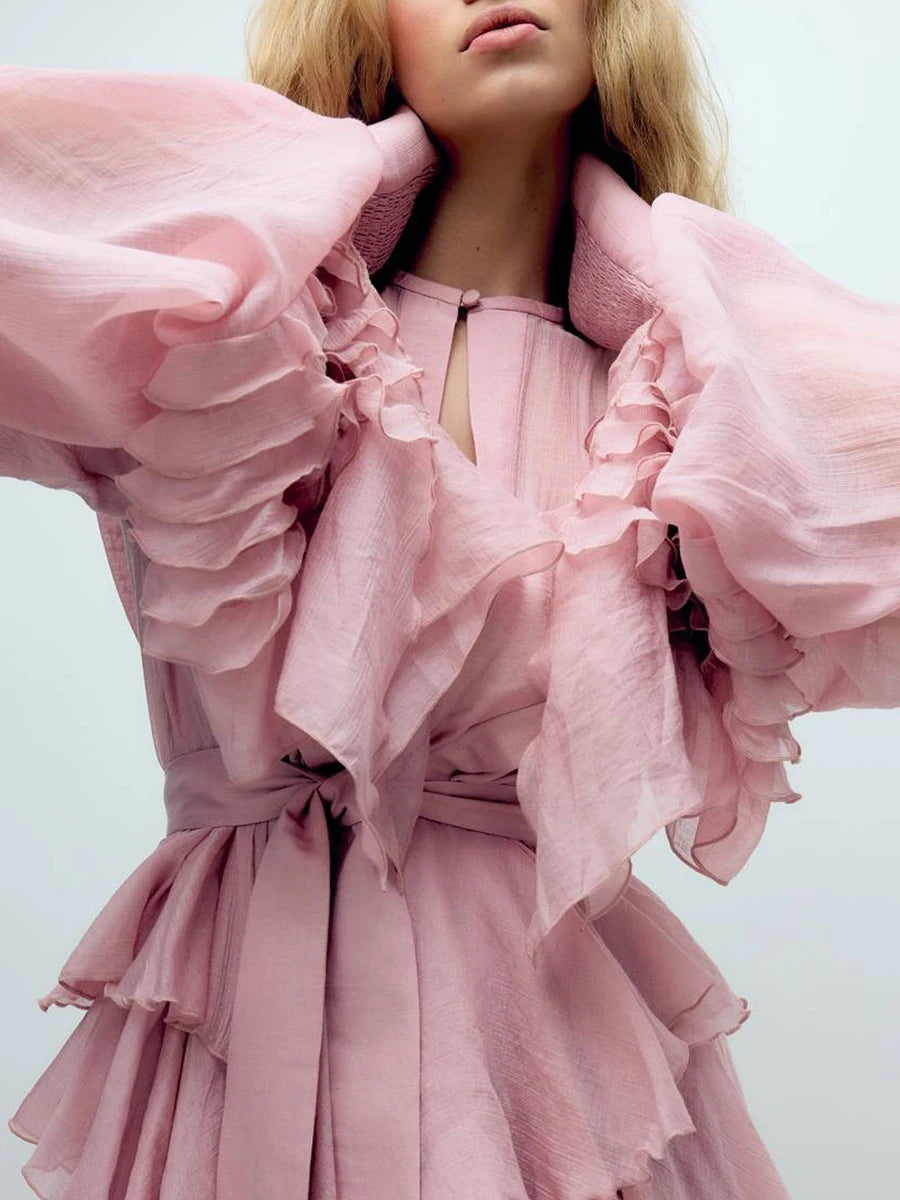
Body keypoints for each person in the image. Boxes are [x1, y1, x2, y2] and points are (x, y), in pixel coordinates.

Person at [1, 0, 898, 1196]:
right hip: (236, 1018)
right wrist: (345, 178)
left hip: (544, 1048)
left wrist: (679, 290)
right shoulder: (235, 317)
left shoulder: (700, 401)